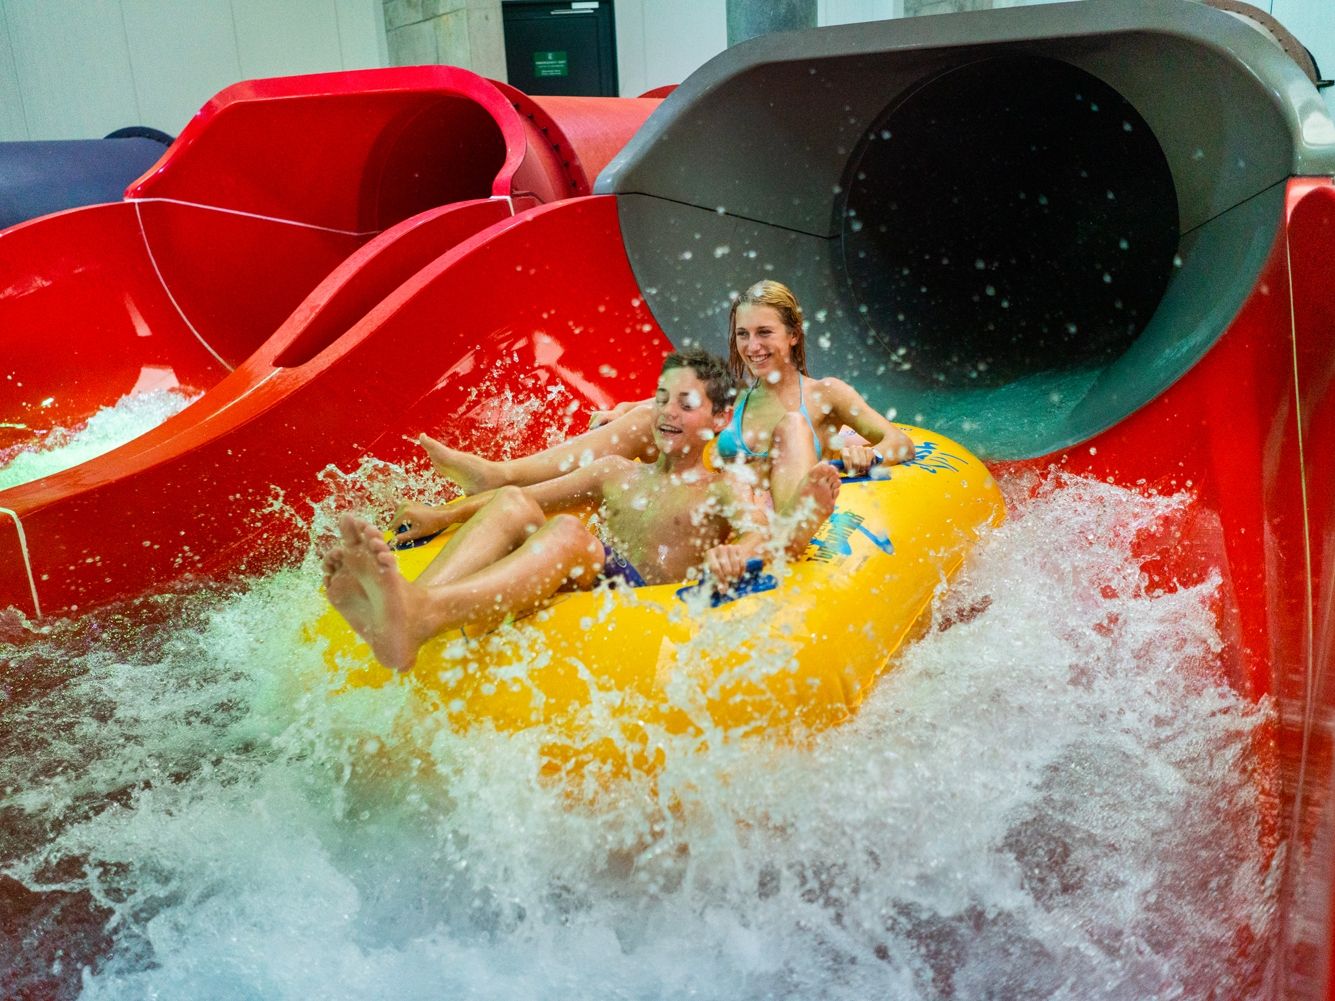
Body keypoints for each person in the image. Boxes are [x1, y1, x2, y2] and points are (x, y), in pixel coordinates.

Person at [322, 349, 842, 673]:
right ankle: (410, 610)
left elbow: (759, 534)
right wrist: (444, 515)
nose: (667, 413)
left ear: (719, 417)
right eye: (661, 399)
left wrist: (738, 552)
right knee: (513, 498)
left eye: (686, 404)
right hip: (595, 579)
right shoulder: (615, 471)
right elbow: (522, 503)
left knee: (571, 534)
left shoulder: (723, 488)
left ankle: (422, 614)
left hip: (642, 605)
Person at [411, 281, 912, 555]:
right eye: (743, 335)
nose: (753, 347)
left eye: (765, 334)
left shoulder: (825, 395)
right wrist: (632, 410)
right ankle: (499, 475)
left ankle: (793, 525)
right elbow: (697, 417)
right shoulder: (736, 398)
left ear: (794, 336)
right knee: (650, 413)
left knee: (791, 427)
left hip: (777, 509)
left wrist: (865, 451)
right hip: (720, 507)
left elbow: (898, 442)